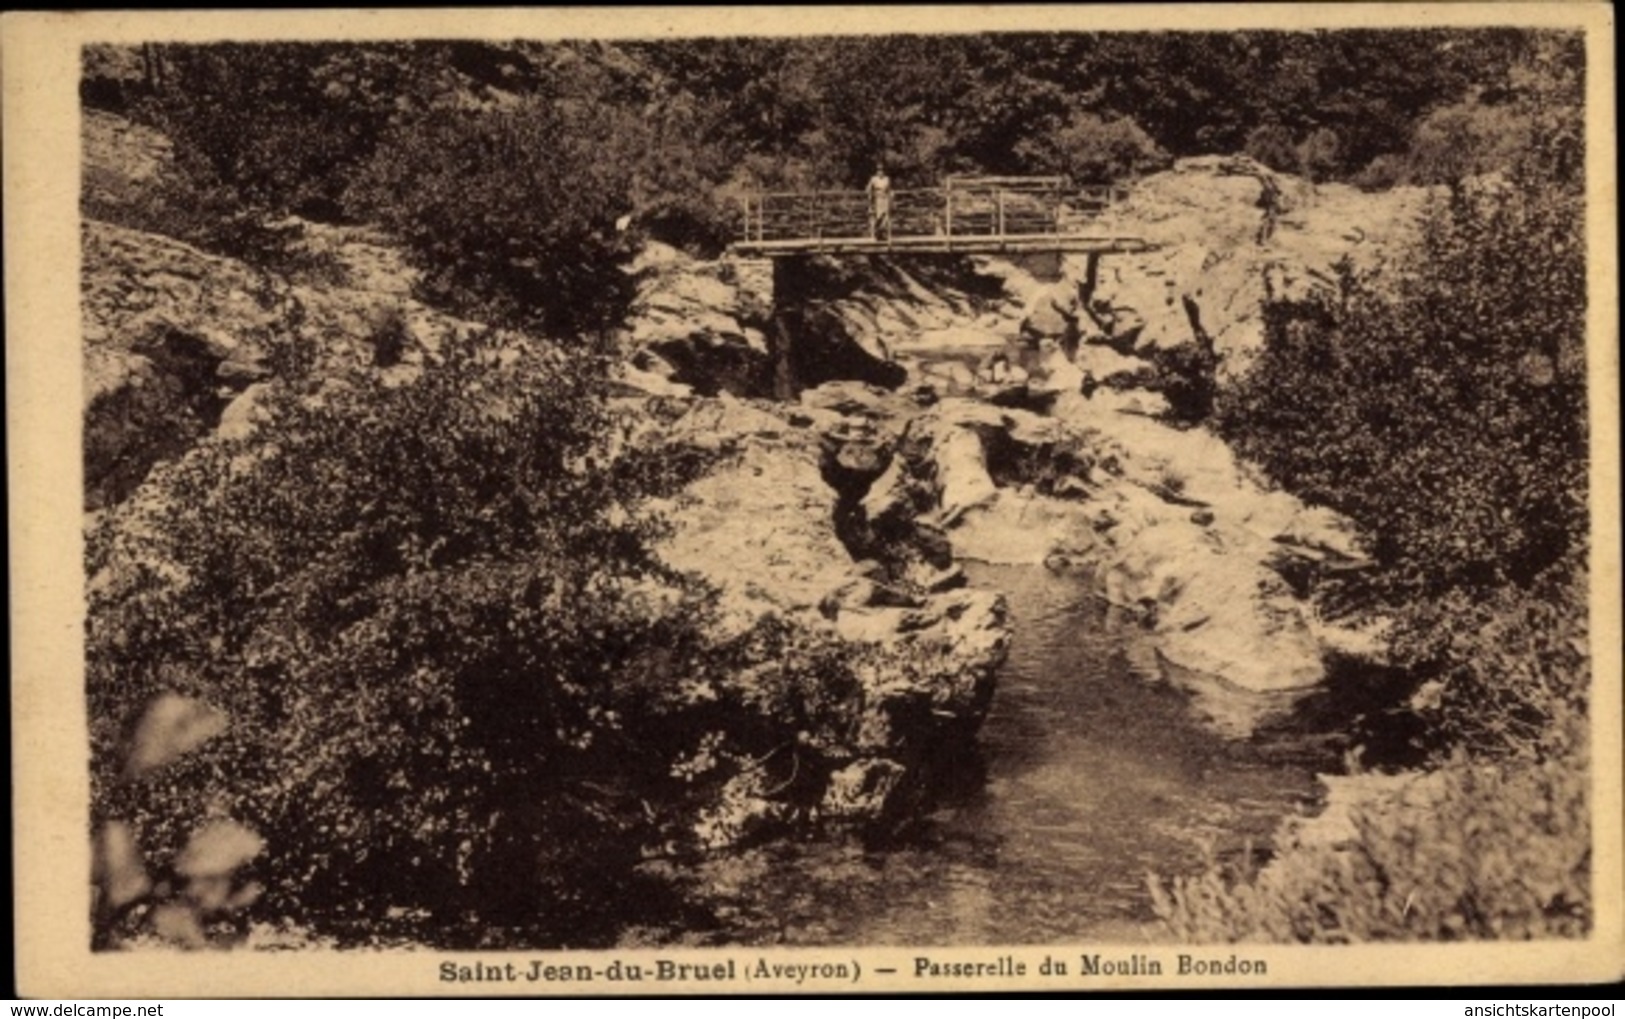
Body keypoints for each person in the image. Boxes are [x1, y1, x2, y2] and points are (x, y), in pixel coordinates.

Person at [866, 164, 893, 240]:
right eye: (879, 170)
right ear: (876, 171)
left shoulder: (887, 179)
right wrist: (870, 195)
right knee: (877, 218)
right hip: (877, 199)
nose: (880, 172)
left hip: (885, 199)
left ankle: (883, 235)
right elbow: (868, 188)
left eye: (882, 170)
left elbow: (889, 190)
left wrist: (891, 196)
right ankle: (875, 235)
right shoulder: (874, 179)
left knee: (885, 218)